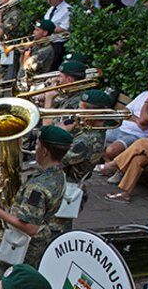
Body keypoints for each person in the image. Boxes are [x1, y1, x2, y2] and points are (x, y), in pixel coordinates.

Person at [0, 125, 71, 289]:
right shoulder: (59, 176)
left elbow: (31, 227)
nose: (35, 149)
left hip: (23, 248)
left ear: (44, 151)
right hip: (41, 242)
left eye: (38, 145)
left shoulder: (38, 187)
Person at [46, 90, 112, 235]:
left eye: (82, 109)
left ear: (97, 114)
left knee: (52, 234)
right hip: (60, 185)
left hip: (64, 191)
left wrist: (61, 133)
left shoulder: (89, 140)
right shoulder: (86, 129)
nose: (77, 111)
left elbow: (52, 159)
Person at [101, 72, 148, 164]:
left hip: (137, 136)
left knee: (110, 151)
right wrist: (137, 120)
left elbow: (143, 121)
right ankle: (110, 164)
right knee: (95, 142)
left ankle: (112, 165)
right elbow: (125, 111)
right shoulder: (144, 94)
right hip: (121, 128)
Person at [16, 19, 56, 83]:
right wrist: (22, 53)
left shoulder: (46, 50)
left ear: (45, 33)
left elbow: (27, 67)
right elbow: (22, 64)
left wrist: (27, 51)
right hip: (22, 79)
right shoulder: (36, 45)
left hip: (32, 83)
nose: (34, 32)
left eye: (37, 30)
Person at [42, 0, 72, 65]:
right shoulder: (52, 8)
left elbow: (64, 28)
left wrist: (46, 30)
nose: (48, 1)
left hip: (58, 43)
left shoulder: (67, 9)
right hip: (49, 41)